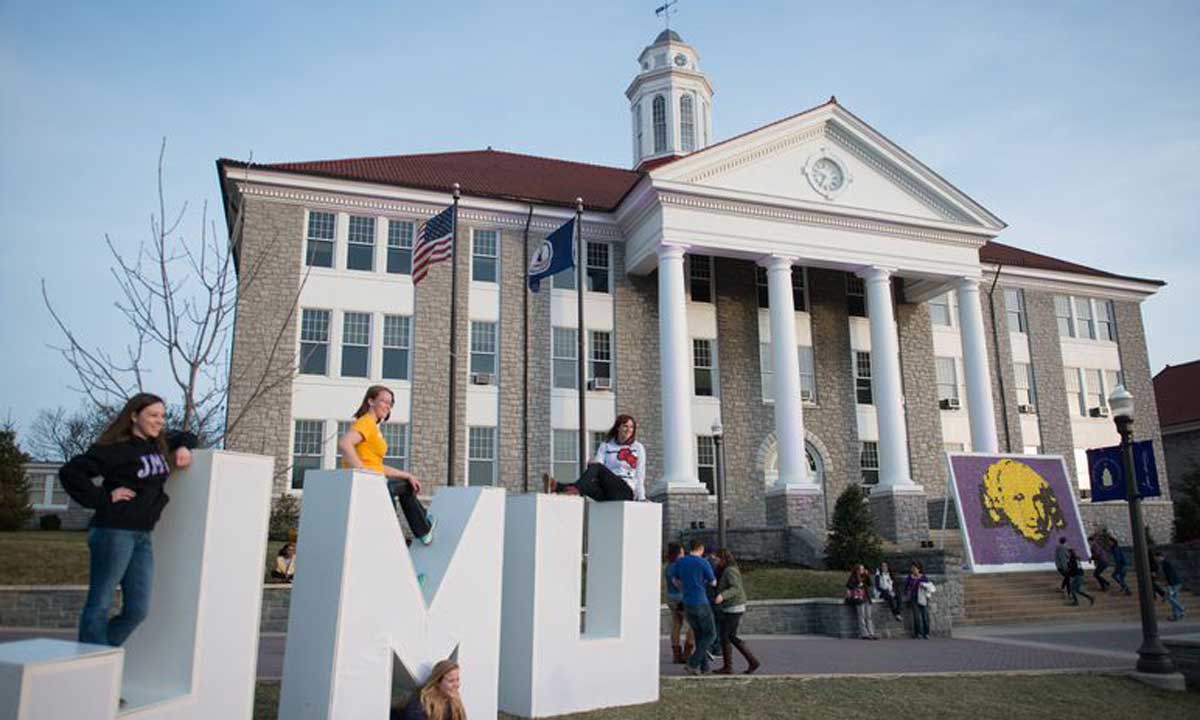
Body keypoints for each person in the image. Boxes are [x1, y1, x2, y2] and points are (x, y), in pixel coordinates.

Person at [58, 393, 198, 647]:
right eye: (153, 416)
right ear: (134, 416)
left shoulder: (158, 444)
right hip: (114, 531)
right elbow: (71, 472)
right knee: (100, 602)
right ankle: (93, 665)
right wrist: (103, 497)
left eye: (162, 416)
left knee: (137, 609)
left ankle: (99, 655)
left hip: (142, 534)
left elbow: (188, 435)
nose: (160, 421)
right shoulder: (115, 449)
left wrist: (183, 446)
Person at [339, 385, 434, 545]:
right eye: (383, 401)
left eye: (391, 403)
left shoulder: (374, 428)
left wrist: (407, 474)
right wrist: (362, 472)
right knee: (406, 487)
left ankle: (421, 524)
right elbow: (344, 443)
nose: (388, 406)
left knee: (406, 483)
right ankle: (423, 529)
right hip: (371, 483)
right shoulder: (366, 423)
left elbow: (377, 465)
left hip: (377, 479)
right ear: (370, 401)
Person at [544, 415, 646, 502]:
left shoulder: (637, 447)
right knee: (588, 485)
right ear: (618, 428)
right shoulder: (606, 446)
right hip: (608, 491)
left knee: (595, 469)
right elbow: (598, 465)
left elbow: (640, 475)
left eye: (632, 427)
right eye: (625, 426)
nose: (629, 429)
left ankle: (566, 488)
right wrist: (592, 464)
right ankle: (558, 487)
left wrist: (641, 497)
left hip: (625, 490)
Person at [667, 539, 717, 675]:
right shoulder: (703, 562)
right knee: (711, 634)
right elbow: (713, 582)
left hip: (687, 602)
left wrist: (684, 587)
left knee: (699, 634)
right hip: (701, 601)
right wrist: (704, 582)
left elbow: (675, 580)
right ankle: (692, 663)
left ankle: (704, 667)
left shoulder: (681, 562)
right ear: (700, 548)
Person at [712, 548, 760, 674]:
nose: (715, 561)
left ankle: (742, 664)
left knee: (726, 636)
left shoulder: (730, 571)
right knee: (729, 636)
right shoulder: (725, 570)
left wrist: (722, 596)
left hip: (734, 607)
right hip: (730, 607)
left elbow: (736, 588)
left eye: (716, 559)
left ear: (723, 559)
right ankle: (747, 663)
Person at [392, 659, 466, 720]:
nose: (457, 685)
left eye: (457, 680)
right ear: (437, 682)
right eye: (451, 681)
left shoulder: (454, 701)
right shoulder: (421, 703)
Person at [664, 542, 696, 664]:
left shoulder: (668, 566)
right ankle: (686, 654)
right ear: (678, 554)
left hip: (670, 597)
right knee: (693, 624)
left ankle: (676, 654)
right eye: (682, 552)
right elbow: (677, 583)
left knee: (676, 624)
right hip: (680, 598)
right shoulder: (678, 566)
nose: (684, 555)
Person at [846, 564, 877, 640]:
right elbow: (849, 585)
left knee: (868, 616)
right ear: (857, 570)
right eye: (861, 569)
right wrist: (857, 585)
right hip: (859, 598)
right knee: (862, 616)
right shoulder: (854, 577)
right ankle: (864, 633)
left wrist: (867, 575)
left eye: (863, 569)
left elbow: (870, 584)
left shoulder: (865, 576)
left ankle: (871, 633)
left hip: (866, 598)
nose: (862, 570)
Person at [904, 562, 934, 639]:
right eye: (912, 568)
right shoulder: (909, 577)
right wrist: (908, 592)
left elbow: (929, 587)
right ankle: (918, 633)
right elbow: (906, 587)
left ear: (919, 569)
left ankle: (926, 633)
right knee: (916, 616)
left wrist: (923, 585)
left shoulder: (923, 577)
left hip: (922, 597)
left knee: (925, 616)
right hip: (914, 597)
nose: (913, 570)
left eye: (915, 568)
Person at [1157, 550, 1187, 621]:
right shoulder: (1164, 564)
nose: (1157, 559)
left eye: (1157, 558)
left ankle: (1181, 608)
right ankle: (1176, 615)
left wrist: (1169, 586)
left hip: (1174, 584)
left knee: (1169, 598)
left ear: (1161, 557)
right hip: (1176, 583)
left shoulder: (1165, 564)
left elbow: (1170, 575)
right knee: (1174, 599)